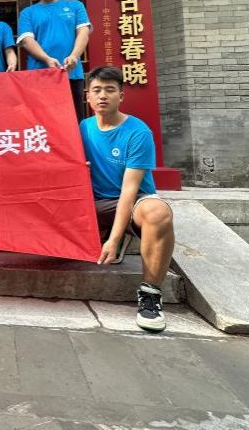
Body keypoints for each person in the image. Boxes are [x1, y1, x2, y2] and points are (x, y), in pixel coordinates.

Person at [80, 66, 175, 332]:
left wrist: (113, 238)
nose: (103, 96)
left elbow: (128, 191)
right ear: (88, 96)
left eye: (110, 90)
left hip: (133, 202)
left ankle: (150, 294)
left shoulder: (138, 132)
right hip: (93, 202)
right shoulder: (83, 127)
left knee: (159, 213)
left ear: (121, 96)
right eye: (97, 90)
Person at [17, 0, 91, 121]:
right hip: (39, 75)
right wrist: (47, 59)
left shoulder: (75, 6)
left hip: (71, 74)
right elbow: (27, 40)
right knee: (42, 123)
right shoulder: (27, 13)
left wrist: (74, 56)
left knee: (73, 121)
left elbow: (84, 32)